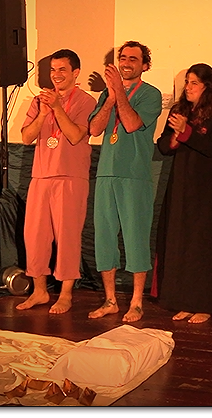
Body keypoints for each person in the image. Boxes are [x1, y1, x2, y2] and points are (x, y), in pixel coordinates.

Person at [16, 49, 97, 314]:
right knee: (35, 236)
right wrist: (43, 113)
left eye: (62, 69)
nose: (56, 75)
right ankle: (39, 291)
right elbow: (26, 137)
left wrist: (57, 108)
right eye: (53, 70)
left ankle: (65, 294)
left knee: (67, 237)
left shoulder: (86, 101)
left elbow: (75, 136)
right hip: (41, 176)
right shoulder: (40, 100)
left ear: (75, 72)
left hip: (70, 177)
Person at [87, 41, 162, 323]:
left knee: (135, 236)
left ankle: (137, 301)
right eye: (123, 57)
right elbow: (94, 129)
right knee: (104, 237)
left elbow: (130, 124)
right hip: (106, 173)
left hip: (134, 175)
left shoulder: (150, 94)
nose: (126, 62)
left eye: (133, 59)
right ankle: (110, 300)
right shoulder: (107, 94)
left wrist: (118, 91)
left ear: (145, 65)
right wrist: (110, 97)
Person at [155, 63, 212, 324]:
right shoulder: (180, 111)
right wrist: (176, 135)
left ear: (206, 87)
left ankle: (206, 304)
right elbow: (163, 146)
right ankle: (185, 301)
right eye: (187, 82)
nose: (188, 88)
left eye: (194, 83)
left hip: (208, 189)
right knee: (182, 243)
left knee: (204, 245)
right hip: (182, 185)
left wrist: (186, 131)